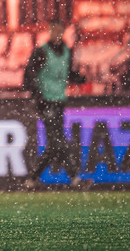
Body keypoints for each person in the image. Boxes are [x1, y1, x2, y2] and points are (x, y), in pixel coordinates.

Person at [22, 19, 85, 187]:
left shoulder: (66, 52)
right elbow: (28, 77)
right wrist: (39, 96)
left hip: (58, 101)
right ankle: (74, 178)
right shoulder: (42, 52)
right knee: (57, 141)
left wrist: (80, 78)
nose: (57, 34)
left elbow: (68, 73)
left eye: (59, 30)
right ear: (50, 31)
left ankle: (33, 178)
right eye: (54, 30)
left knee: (55, 142)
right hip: (46, 102)